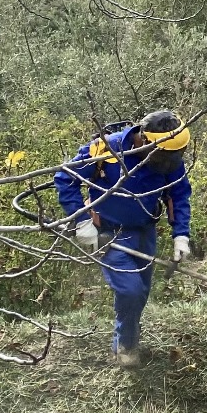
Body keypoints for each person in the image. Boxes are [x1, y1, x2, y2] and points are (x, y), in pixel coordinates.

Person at [54, 109, 193, 365]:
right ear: (145, 140)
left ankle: (126, 340)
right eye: (163, 155)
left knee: (140, 293)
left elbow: (178, 195)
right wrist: (82, 221)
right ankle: (126, 349)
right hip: (110, 233)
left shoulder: (169, 159)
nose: (167, 162)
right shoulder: (106, 149)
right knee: (130, 290)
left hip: (145, 230)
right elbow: (66, 178)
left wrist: (180, 235)